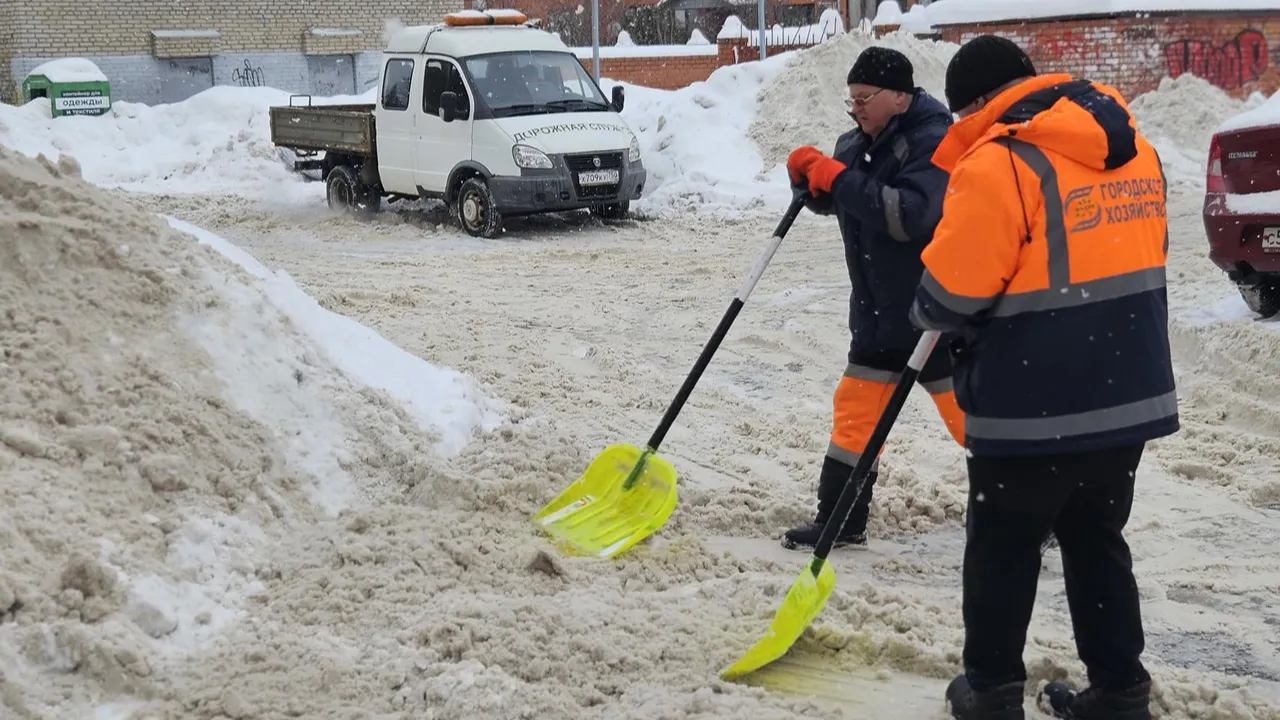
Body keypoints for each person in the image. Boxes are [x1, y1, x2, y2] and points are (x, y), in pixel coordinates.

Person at [907, 35, 1179, 720]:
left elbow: (949, 295)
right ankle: (1120, 690)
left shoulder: (1001, 162)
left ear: (972, 103)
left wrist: (929, 300)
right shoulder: (1135, 149)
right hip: (1128, 389)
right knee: (1096, 540)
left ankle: (992, 692)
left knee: (1003, 546)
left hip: (1033, 400)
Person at [781, 47, 965, 552]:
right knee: (856, 417)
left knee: (973, 419)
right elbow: (844, 196)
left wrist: (838, 179)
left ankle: (1042, 514)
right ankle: (840, 518)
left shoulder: (934, 143)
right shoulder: (855, 142)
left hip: (934, 317)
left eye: (865, 98)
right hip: (879, 316)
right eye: (851, 99)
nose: (856, 107)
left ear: (900, 97)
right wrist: (810, 179)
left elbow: (909, 217)